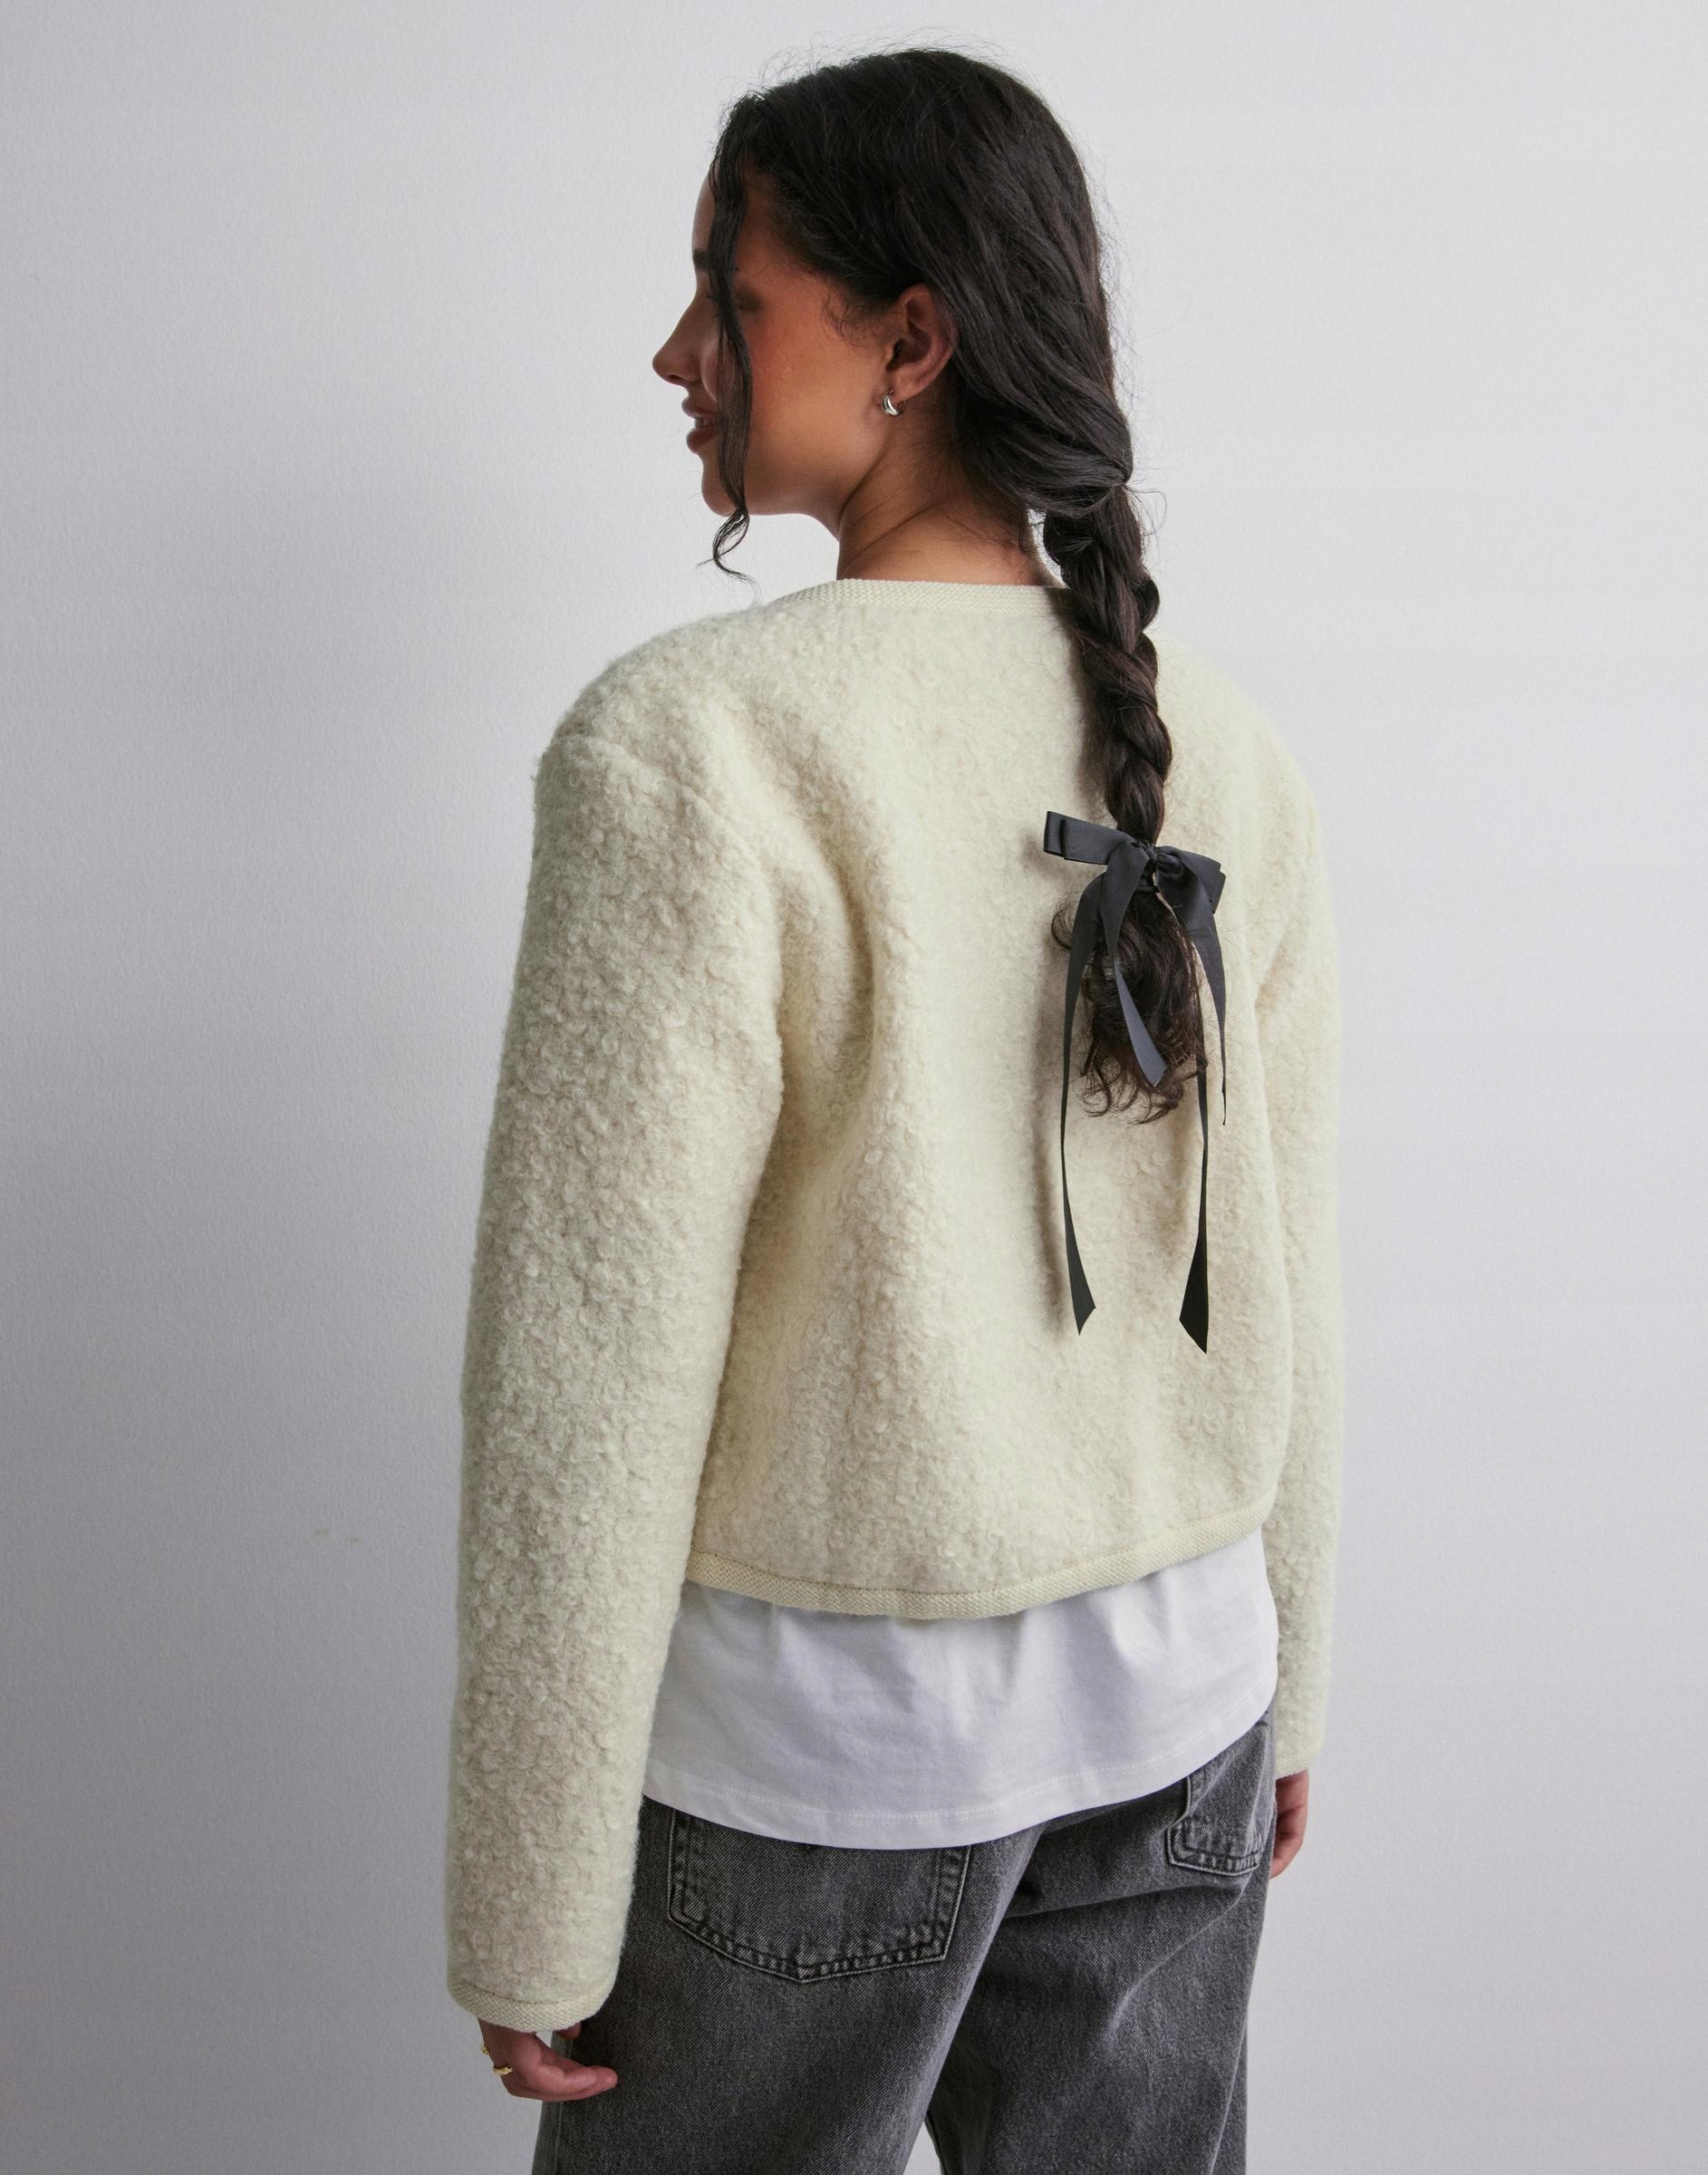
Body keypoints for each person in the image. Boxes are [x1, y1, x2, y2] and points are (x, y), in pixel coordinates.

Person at [444, 45, 1345, 2175]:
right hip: (1179, 1720)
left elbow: (588, 1370)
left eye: (727, 294)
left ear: (909, 340)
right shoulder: (1219, 737)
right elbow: (1292, 1264)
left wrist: (528, 1882)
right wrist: (1289, 1677)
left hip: (816, 1764)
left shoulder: (689, 744)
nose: (676, 352)